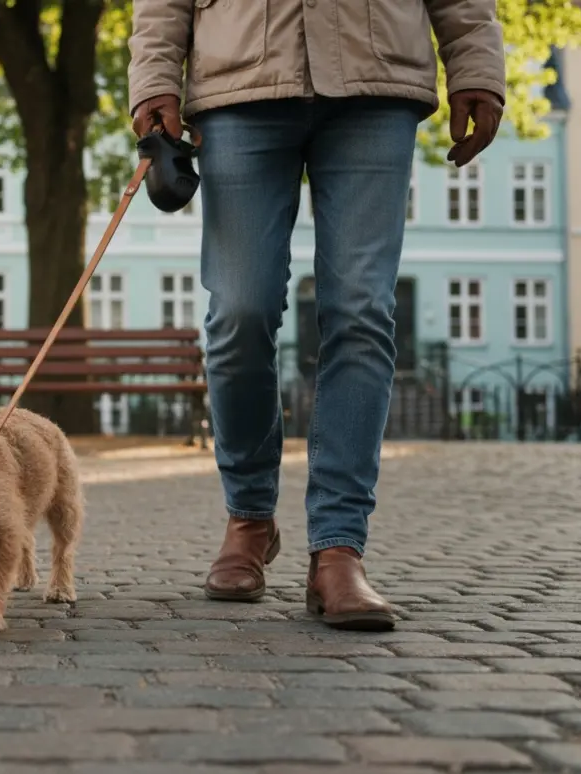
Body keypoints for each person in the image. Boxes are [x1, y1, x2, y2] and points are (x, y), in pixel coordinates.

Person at [128, 0, 505, 630]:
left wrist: (476, 66)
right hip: (239, 81)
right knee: (238, 315)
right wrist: (155, 79)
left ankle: (338, 548)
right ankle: (250, 518)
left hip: (375, 75)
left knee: (361, 312)